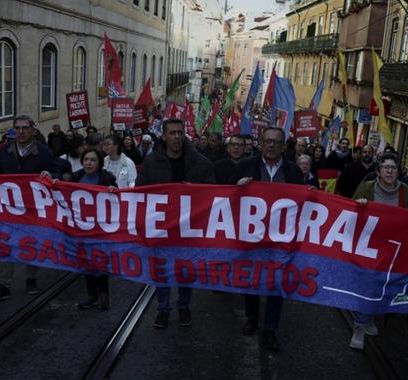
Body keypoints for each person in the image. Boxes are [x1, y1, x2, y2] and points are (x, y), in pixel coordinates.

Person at [137, 119, 215, 328]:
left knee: (185, 270)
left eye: (180, 132)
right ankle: (163, 309)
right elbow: (139, 192)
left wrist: (195, 190)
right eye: (172, 133)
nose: (177, 137)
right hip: (160, 228)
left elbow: (212, 192)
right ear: (163, 136)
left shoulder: (200, 162)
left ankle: (184, 306)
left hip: (188, 228)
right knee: (162, 271)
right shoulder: (151, 162)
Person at [233, 127, 305, 352]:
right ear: (260, 144)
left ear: (284, 146)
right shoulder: (245, 167)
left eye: (276, 142)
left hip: (281, 239)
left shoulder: (294, 172)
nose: (272, 145)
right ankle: (252, 317)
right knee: (252, 279)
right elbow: (226, 198)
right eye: (267, 141)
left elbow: (303, 202)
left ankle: (271, 328)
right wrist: (238, 188)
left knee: (277, 283)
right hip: (252, 236)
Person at [349, 152, 408, 350]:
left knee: (382, 287)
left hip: (393, 249)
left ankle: (370, 317)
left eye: (393, 168)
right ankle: (359, 327)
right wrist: (360, 206)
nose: (390, 171)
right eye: (385, 168)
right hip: (369, 245)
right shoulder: (367, 188)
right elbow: (350, 212)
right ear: (378, 171)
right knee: (367, 285)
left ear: (398, 171)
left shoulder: (407, 192)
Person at [0, 115, 60, 301]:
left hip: (32, 208)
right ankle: (4, 284)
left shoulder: (43, 152)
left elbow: (58, 169)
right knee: (4, 243)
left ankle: (31, 277)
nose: (21, 132)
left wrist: (51, 174)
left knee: (30, 243)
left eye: (25, 128)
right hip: (8, 208)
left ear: (34, 130)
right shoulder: (3, 150)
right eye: (17, 128)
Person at [72, 147, 118, 310]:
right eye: (86, 160)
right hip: (82, 228)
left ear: (99, 163)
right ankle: (92, 295)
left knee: (100, 261)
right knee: (86, 262)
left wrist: (114, 191)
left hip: (100, 229)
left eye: (93, 160)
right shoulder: (75, 178)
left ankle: (104, 295)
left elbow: (118, 201)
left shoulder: (107, 179)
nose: (89, 163)